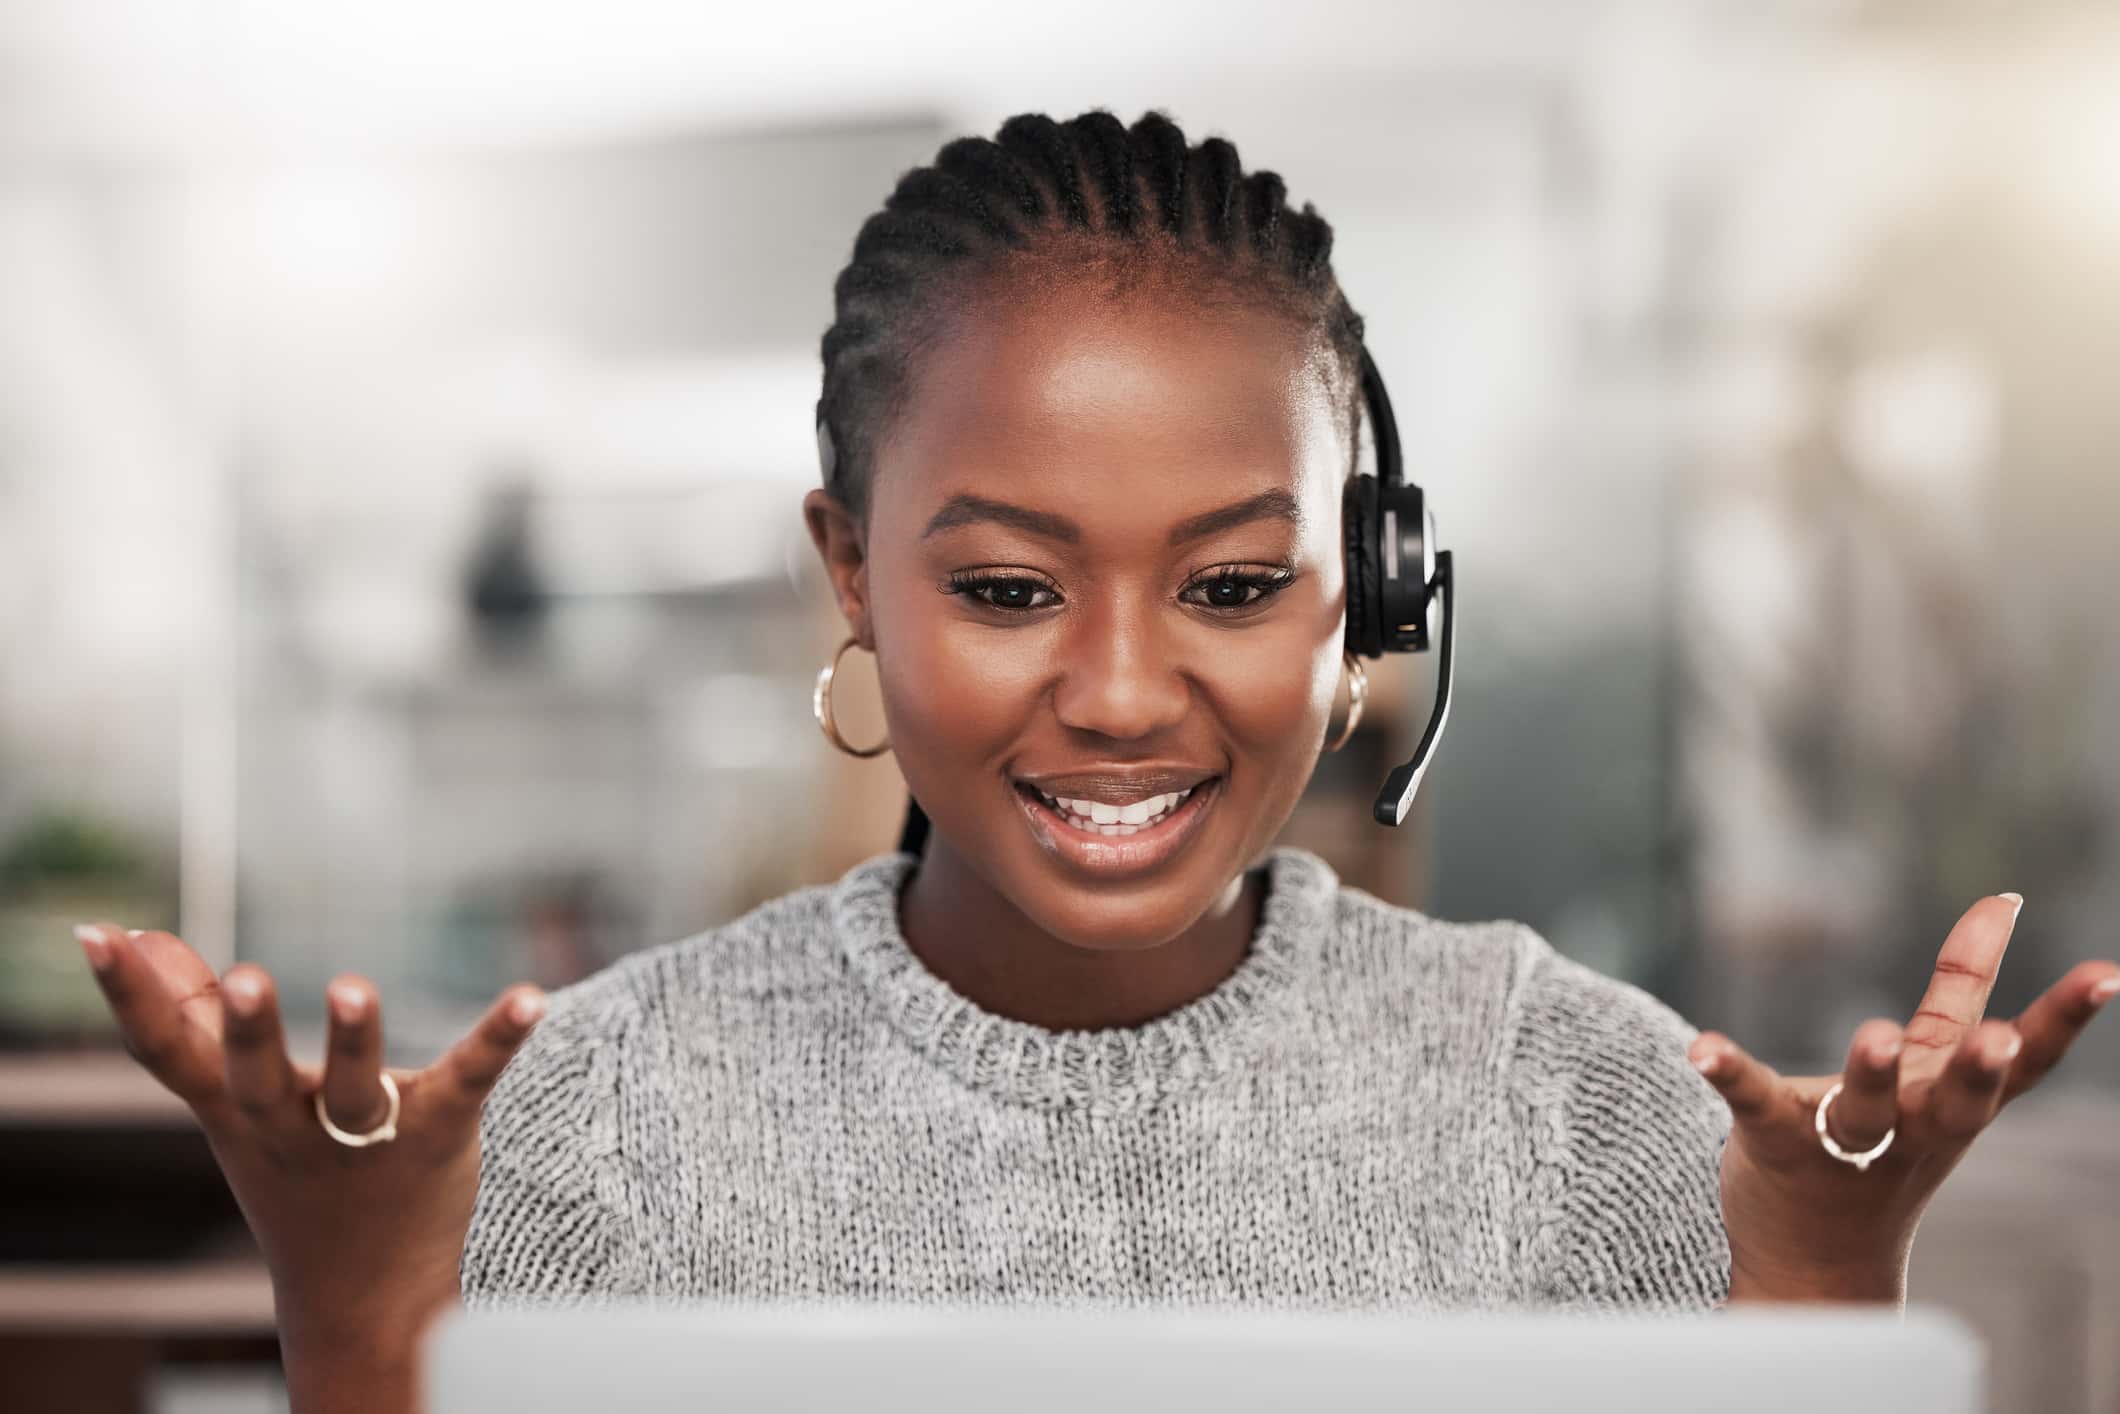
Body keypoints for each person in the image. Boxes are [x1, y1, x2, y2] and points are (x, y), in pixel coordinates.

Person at [76, 109, 2120, 1414]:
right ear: (851, 577)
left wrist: (1819, 1279)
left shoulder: (1589, 1100)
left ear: (1371, 602)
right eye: (1006, 586)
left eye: (1233, 586)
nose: (1127, 693)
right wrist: (351, 1318)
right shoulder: (595, 1115)